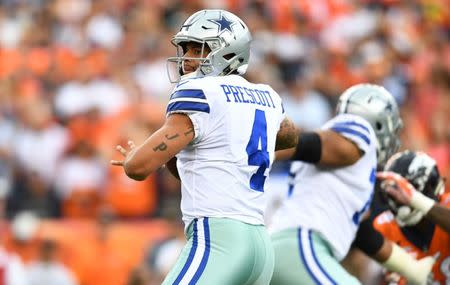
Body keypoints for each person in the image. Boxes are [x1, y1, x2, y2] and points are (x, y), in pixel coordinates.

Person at [111, 9, 297, 285]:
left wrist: (132, 159)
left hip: (218, 238)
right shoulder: (267, 95)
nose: (186, 59)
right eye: (185, 49)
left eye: (198, 49)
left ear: (229, 52)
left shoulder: (201, 91)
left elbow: (138, 168)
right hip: (260, 245)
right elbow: (290, 136)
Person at [270, 84, 434, 285]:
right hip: (302, 244)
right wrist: (266, 147)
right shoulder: (359, 130)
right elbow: (320, 145)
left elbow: (364, 235)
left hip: (288, 248)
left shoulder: (352, 175)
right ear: (379, 123)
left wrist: (411, 267)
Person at [374, 150, 449, 285]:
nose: (402, 199)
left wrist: (415, 199)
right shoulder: (382, 228)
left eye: (411, 188)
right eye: (394, 194)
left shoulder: (447, 205)